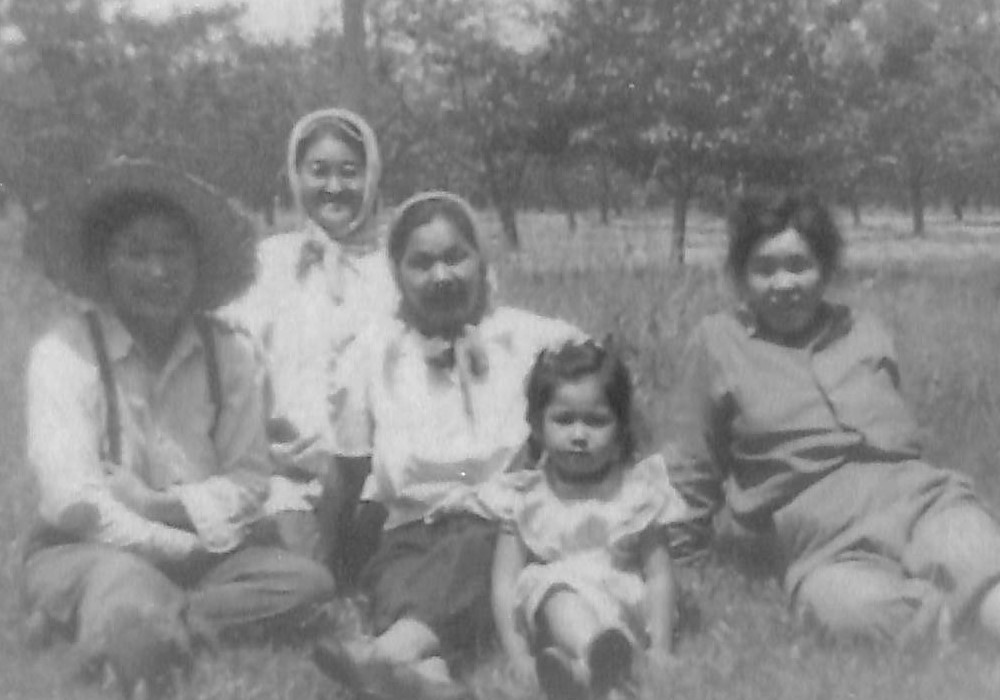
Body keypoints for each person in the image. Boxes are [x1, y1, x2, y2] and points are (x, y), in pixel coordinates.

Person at [22, 160, 336, 695]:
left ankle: (145, 626)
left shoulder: (230, 352)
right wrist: (174, 546)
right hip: (95, 547)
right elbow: (72, 499)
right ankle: (132, 623)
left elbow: (249, 479)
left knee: (307, 584)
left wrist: (158, 507)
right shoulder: (65, 353)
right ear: (102, 265)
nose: (158, 272)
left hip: (205, 548)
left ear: (199, 263)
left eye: (173, 253)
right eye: (137, 253)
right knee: (123, 583)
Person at [664, 188, 1000, 646]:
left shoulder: (863, 329)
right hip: (823, 540)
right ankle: (969, 639)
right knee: (851, 613)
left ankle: (976, 619)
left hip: (918, 499)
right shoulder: (718, 342)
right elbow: (691, 460)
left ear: (824, 270)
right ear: (742, 277)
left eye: (799, 266)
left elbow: (902, 430)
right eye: (765, 269)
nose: (784, 284)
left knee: (981, 563)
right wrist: (676, 560)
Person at [312, 191, 584, 700]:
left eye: (455, 257)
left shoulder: (533, 339)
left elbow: (608, 402)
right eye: (422, 263)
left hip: (505, 528)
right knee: (402, 581)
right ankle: (432, 683)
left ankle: (385, 654)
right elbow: (349, 469)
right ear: (396, 272)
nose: (442, 276)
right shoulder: (373, 351)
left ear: (481, 259)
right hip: (406, 531)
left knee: (478, 552)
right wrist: (333, 561)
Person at [222, 108, 396, 567]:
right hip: (286, 464)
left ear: (372, 177)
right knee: (305, 565)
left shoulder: (395, 266)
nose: (334, 187)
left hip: (377, 468)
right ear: (296, 176)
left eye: (349, 172)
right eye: (318, 172)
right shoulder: (267, 262)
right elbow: (231, 357)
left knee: (373, 565)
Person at [487, 339, 685, 700]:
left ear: (622, 427)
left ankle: (587, 669)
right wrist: (518, 656)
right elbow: (505, 582)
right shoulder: (525, 496)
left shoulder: (637, 491)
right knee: (557, 589)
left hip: (622, 603)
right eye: (564, 420)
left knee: (608, 624)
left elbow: (659, 575)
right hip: (554, 612)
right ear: (536, 425)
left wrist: (661, 648)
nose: (579, 435)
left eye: (596, 421)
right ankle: (597, 664)